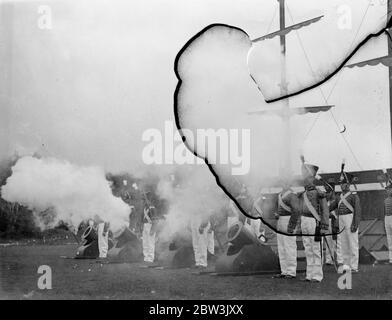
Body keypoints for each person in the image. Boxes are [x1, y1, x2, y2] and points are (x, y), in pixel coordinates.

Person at [288, 159, 329, 283]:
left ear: (313, 179)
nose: (306, 180)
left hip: (314, 222)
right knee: (307, 248)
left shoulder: (319, 193)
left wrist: (324, 225)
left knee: (315, 249)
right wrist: (297, 225)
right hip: (304, 222)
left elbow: (324, 210)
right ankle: (309, 274)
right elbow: (298, 211)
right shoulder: (302, 195)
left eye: (309, 178)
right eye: (305, 178)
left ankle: (317, 275)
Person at [329, 164, 361, 273]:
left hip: (350, 218)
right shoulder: (338, 197)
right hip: (341, 219)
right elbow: (331, 207)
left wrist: (355, 224)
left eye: (344, 183)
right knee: (344, 244)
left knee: (353, 243)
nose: (342, 186)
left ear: (348, 184)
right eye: (341, 184)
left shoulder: (353, 196)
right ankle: (347, 265)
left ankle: (354, 266)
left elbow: (358, 211)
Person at [274, 178, 300, 279]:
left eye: (286, 181)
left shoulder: (292, 195)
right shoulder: (279, 195)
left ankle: (291, 271)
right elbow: (279, 209)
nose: (284, 183)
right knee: (281, 247)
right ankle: (284, 271)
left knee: (289, 246)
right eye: (283, 181)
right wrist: (277, 214)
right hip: (280, 221)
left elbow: (296, 211)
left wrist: (291, 226)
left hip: (288, 220)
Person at [323, 179, 339, 266]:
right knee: (328, 240)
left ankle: (335, 258)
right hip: (326, 220)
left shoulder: (336, 197)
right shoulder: (324, 196)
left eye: (328, 185)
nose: (326, 187)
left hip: (333, 220)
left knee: (334, 241)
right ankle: (329, 259)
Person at [384, 174, 392, 265]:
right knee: (389, 240)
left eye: (389, 188)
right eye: (387, 189)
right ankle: (391, 259)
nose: (388, 190)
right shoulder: (385, 200)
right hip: (387, 218)